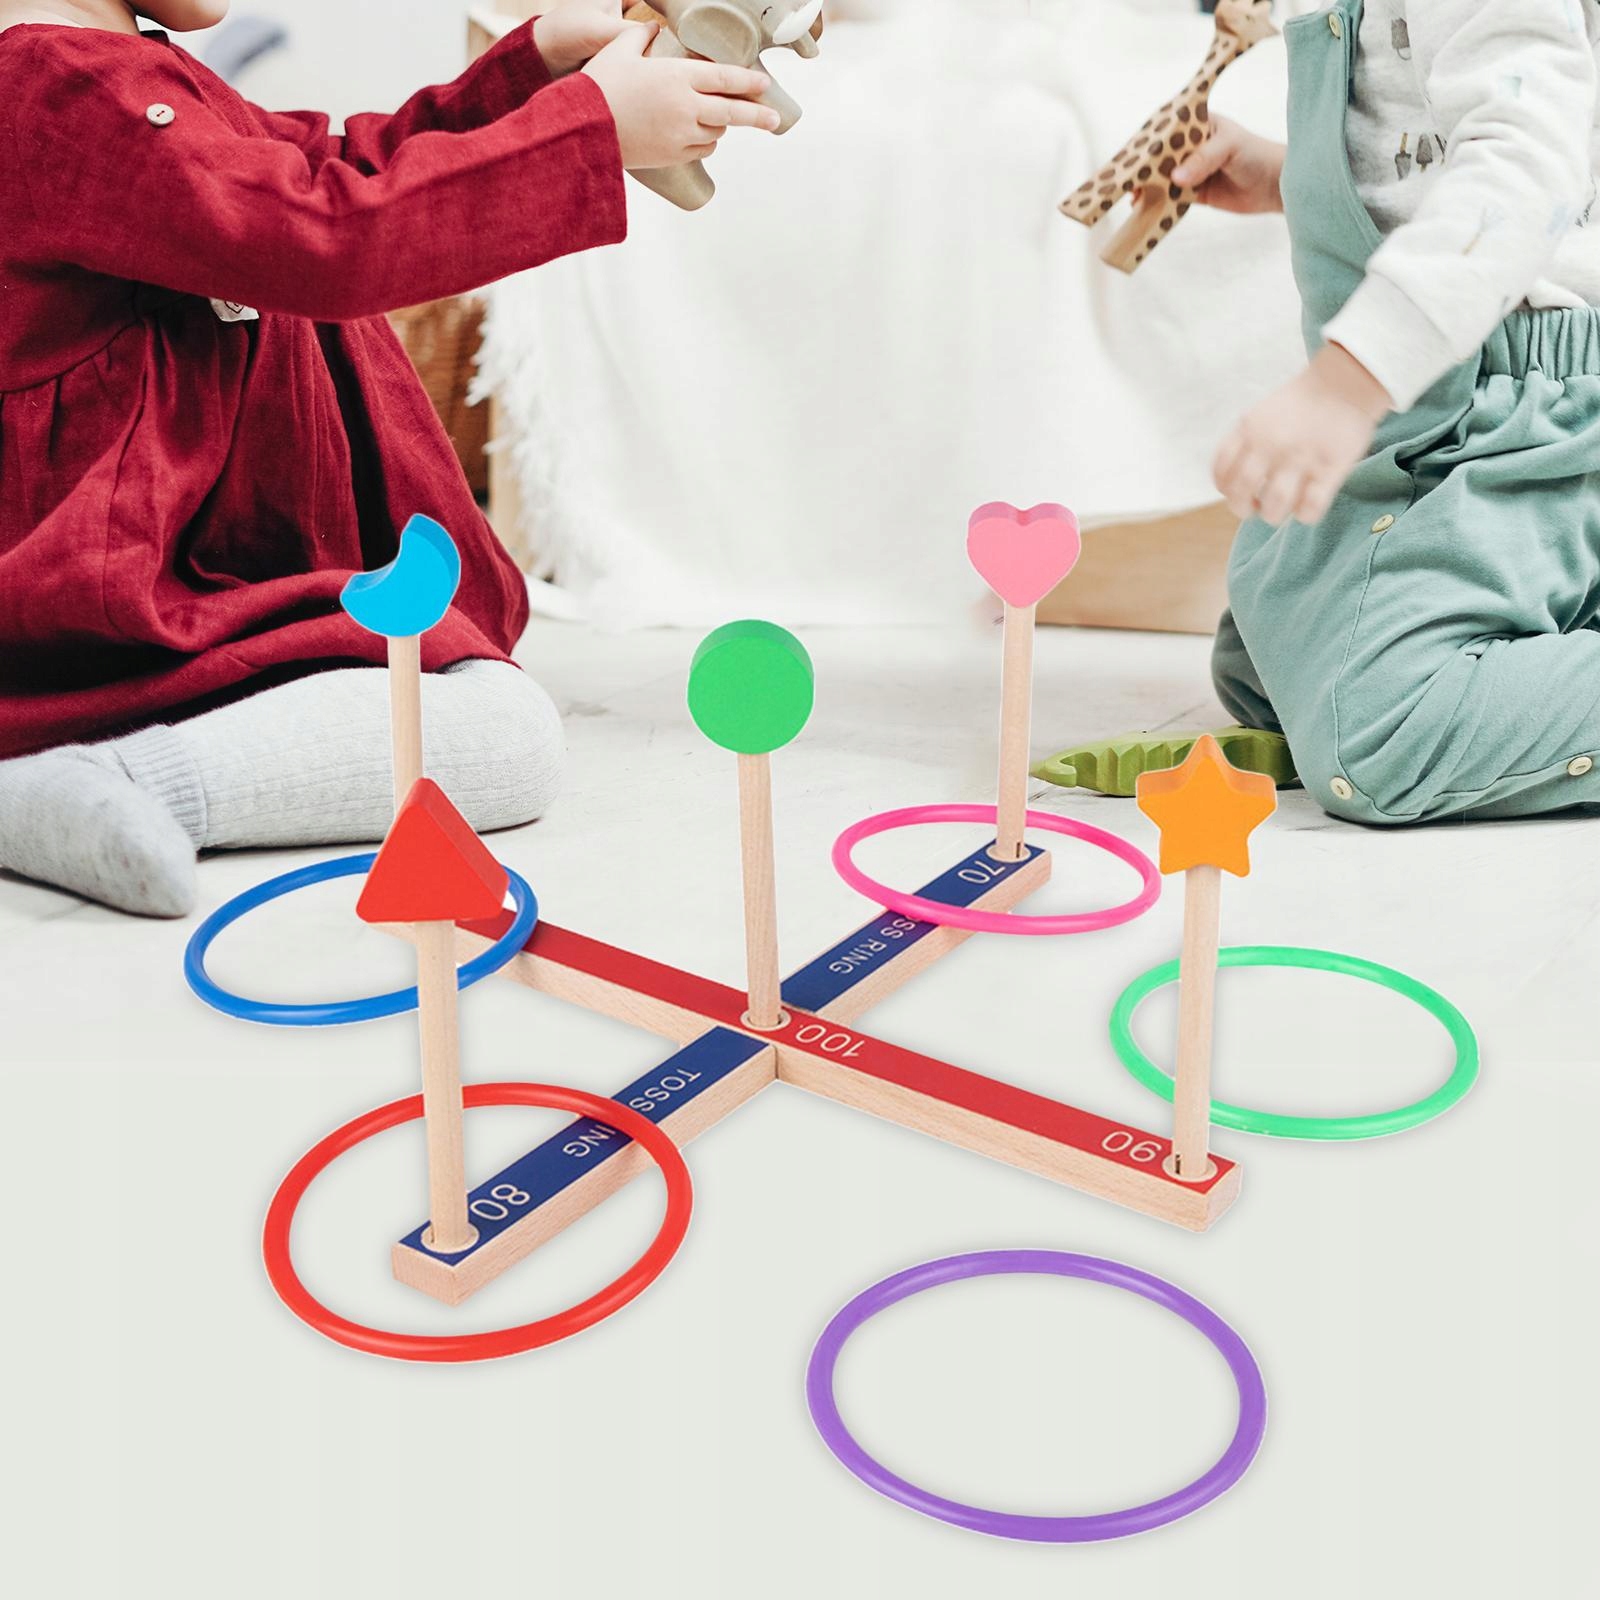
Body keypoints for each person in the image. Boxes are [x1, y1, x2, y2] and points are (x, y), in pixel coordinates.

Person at [0, 0, 778, 913]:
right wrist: (588, 130)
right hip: (109, 613)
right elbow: (329, 237)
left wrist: (533, 73)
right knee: (503, 736)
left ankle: (97, 771)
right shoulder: (58, 88)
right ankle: (99, 779)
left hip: (184, 577)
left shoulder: (115, 72)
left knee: (456, 692)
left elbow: (346, 165)